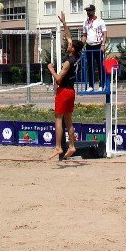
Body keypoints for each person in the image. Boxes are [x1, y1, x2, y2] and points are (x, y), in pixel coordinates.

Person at [47, 12, 82, 160]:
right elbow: (68, 37)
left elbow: (59, 79)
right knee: (68, 120)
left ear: (72, 49)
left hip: (64, 91)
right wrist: (64, 23)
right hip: (71, 92)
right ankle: (72, 146)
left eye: (69, 44)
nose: (68, 43)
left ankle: (59, 147)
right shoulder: (75, 56)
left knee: (58, 119)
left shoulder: (69, 61)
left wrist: (51, 69)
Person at [82, 4, 107, 90]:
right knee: (90, 66)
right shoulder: (85, 22)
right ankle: (91, 85)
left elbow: (105, 34)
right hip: (89, 46)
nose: (88, 12)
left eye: (89, 10)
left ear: (93, 11)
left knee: (100, 66)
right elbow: (84, 35)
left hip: (98, 45)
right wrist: (81, 45)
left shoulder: (100, 21)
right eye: (87, 11)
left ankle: (101, 85)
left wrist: (103, 45)